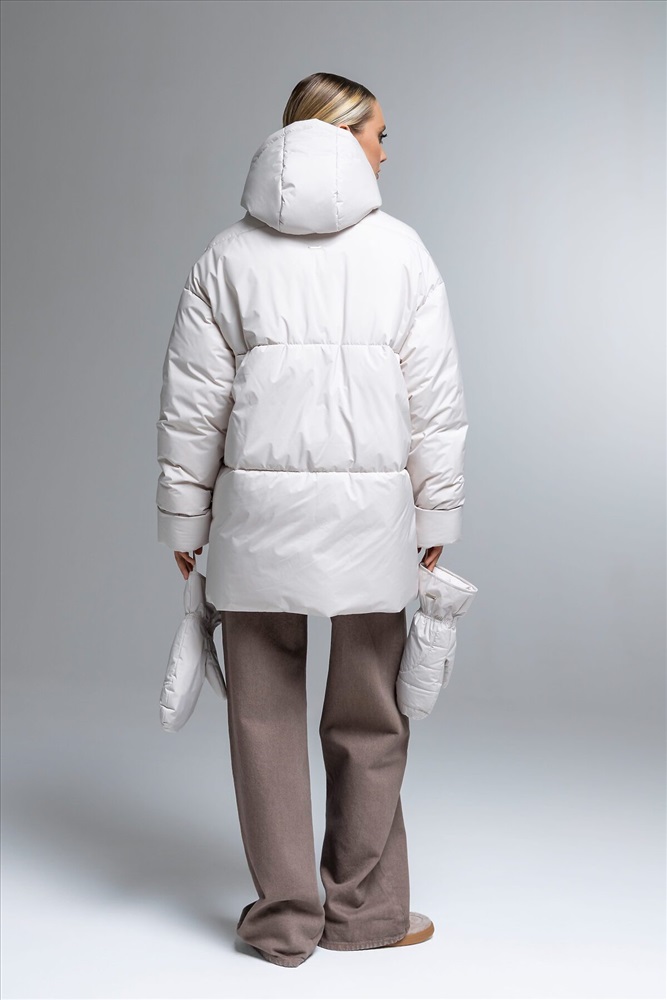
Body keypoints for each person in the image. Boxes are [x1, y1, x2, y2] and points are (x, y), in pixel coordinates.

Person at [156, 71, 469, 967]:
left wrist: (187, 524)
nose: (385, 152)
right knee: (371, 713)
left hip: (255, 524)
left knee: (261, 718)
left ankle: (283, 921)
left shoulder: (226, 256)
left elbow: (192, 406)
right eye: (378, 134)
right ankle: (363, 911)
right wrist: (435, 510)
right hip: (374, 521)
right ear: (340, 135)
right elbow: (433, 402)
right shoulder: (401, 252)